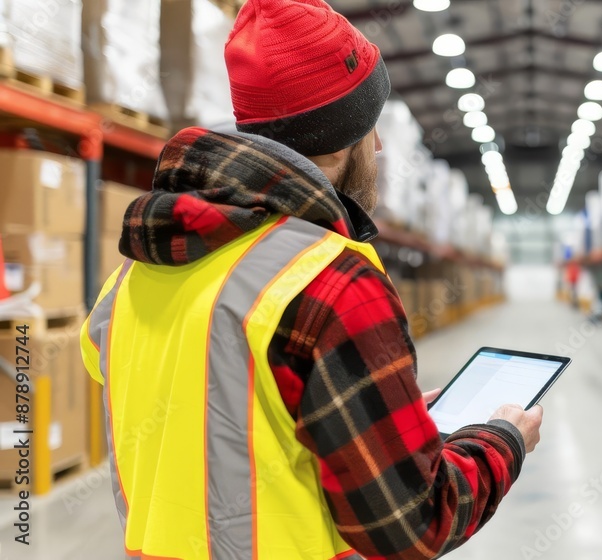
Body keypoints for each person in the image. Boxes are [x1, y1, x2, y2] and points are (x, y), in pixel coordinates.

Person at [79, 1, 543, 558]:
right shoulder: (333, 282)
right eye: (371, 130)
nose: (380, 147)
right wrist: (502, 439)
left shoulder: (132, 275)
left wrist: (367, 406)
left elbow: (224, 415)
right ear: (346, 135)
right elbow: (414, 522)